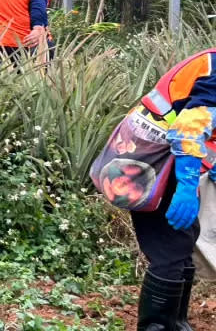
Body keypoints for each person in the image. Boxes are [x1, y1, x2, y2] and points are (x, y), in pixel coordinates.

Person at [90, 49, 216, 330]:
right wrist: (186, 186)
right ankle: (156, 326)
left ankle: (176, 322)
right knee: (169, 247)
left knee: (183, 240)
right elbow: (189, 128)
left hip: (168, 156)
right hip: (153, 160)